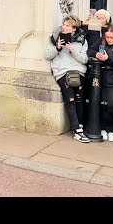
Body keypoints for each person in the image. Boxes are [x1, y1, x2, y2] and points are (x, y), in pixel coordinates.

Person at [44, 15, 90, 143]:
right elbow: (47, 55)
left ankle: (80, 125)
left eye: (67, 25)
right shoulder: (55, 38)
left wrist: (73, 50)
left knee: (79, 98)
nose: (64, 27)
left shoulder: (82, 41)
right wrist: (57, 47)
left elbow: (85, 59)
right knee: (70, 99)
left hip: (78, 71)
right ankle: (76, 129)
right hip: (62, 71)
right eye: (63, 24)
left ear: (74, 28)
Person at [87, 24, 113, 142]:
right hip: (100, 79)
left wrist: (107, 59)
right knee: (101, 105)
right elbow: (90, 51)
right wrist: (96, 55)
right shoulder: (101, 41)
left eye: (111, 37)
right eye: (107, 37)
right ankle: (103, 128)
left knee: (112, 105)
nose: (109, 40)